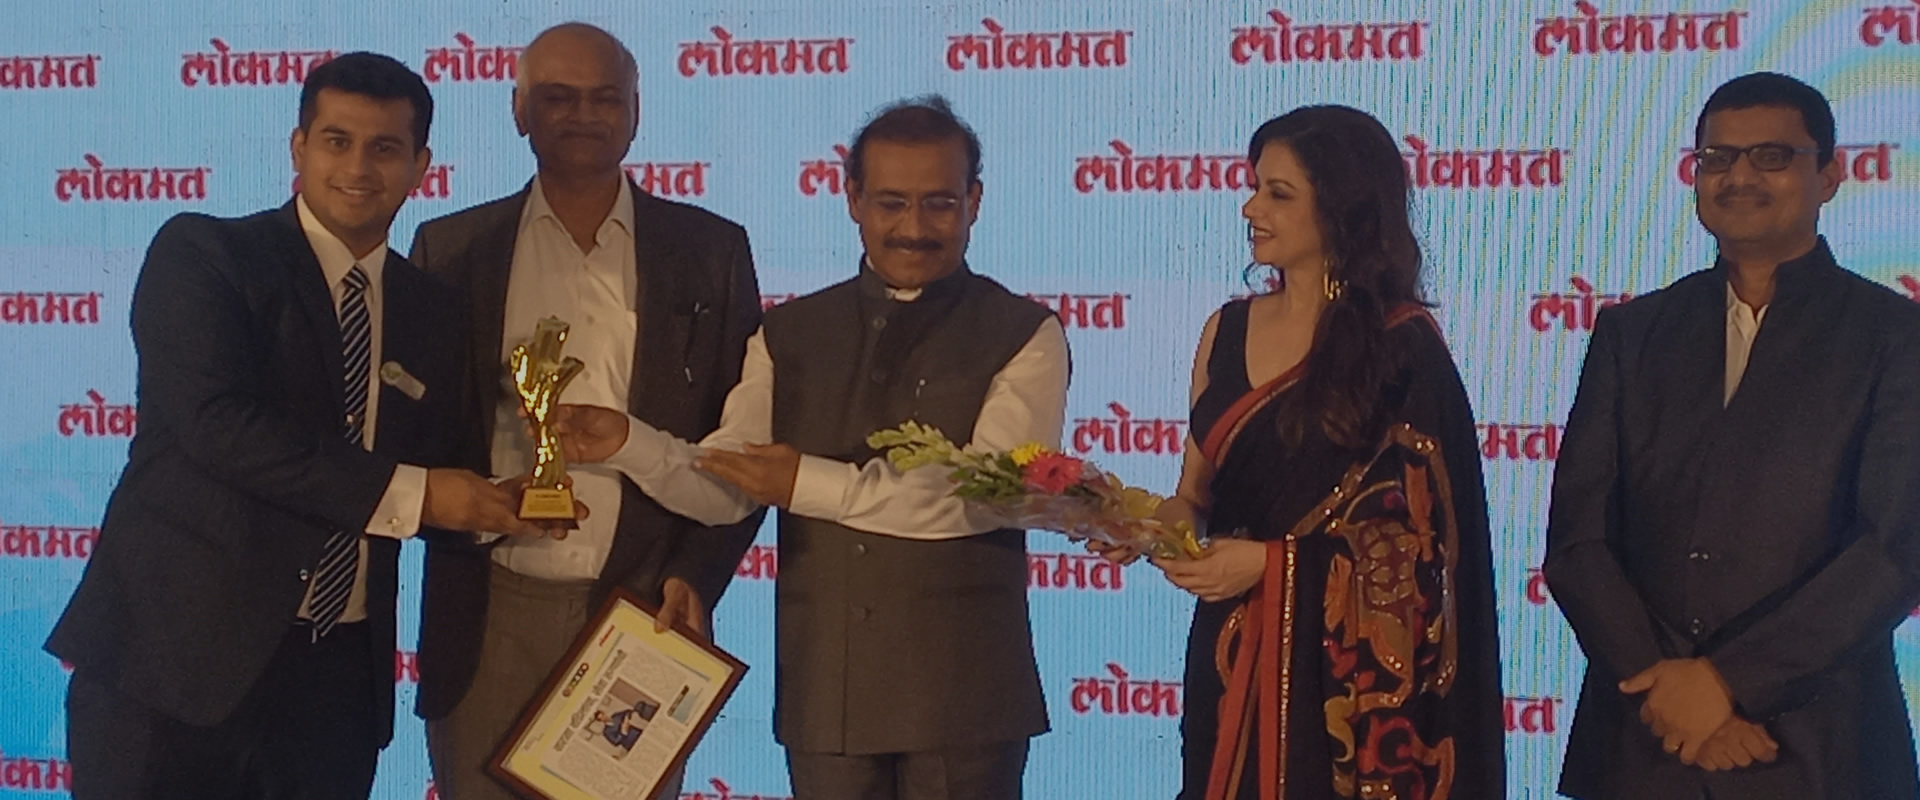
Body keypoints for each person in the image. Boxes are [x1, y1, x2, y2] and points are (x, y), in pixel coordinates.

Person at [44, 53, 543, 800]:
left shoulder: (433, 310)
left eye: (385, 148)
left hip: (336, 684)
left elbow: (436, 470)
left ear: (421, 167)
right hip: (173, 670)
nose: (359, 167)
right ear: (298, 148)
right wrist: (420, 494)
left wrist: (508, 502)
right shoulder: (207, 254)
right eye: (337, 141)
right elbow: (219, 427)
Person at [544, 95, 1069, 800]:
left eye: (939, 204)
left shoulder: (1027, 333)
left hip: (965, 697)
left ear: (974, 201)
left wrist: (804, 484)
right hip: (826, 690)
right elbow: (726, 486)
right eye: (891, 203)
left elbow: (988, 497)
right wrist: (629, 443)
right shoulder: (787, 333)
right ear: (852, 199)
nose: (914, 228)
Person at [405, 22, 764, 800]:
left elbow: (743, 444)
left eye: (605, 98)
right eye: (558, 97)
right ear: (518, 110)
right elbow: (411, 442)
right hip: (487, 610)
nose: (583, 115)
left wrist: (698, 574)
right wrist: (471, 509)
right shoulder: (449, 249)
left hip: (643, 613)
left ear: (636, 112)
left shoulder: (712, 251)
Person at [1545, 71, 1920, 800]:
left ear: (1830, 176)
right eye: (1716, 158)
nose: (1738, 177)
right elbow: (1577, 543)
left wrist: (1727, 684)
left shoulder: (1893, 336)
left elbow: (1892, 547)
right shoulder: (1633, 333)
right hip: (1642, 743)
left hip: (1816, 748)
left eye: (1771, 157)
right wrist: (1670, 693)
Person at [1131, 105, 1505, 799]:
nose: (1250, 208)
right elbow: (1194, 496)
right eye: (1254, 187)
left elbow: (1423, 551)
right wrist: (1140, 526)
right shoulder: (1226, 329)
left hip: (1344, 696)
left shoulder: (1403, 349)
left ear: (1340, 210)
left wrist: (1272, 565)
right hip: (1228, 653)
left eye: (1278, 194)